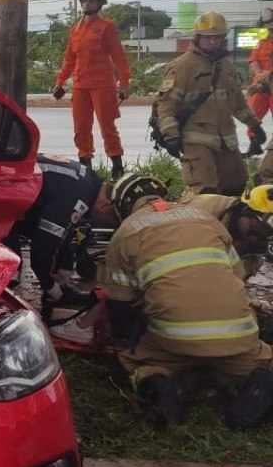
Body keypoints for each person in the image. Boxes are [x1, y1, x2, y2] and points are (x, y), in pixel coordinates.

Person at [102, 173, 273, 429]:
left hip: (174, 339)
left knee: (139, 358)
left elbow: (120, 304)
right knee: (258, 359)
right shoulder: (207, 219)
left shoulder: (125, 232)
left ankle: (158, 385)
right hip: (238, 334)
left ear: (123, 206)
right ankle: (260, 388)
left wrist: (127, 335)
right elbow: (236, 277)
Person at [154, 12, 265, 197]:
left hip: (226, 141)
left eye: (217, 37)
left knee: (235, 188)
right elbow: (166, 106)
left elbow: (237, 104)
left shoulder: (226, 67)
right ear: (198, 38)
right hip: (196, 141)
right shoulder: (182, 67)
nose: (213, 42)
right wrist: (171, 136)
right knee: (205, 192)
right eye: (208, 38)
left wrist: (255, 126)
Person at [5, 155, 106, 320]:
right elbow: (43, 247)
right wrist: (52, 288)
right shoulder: (77, 195)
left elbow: (65, 229)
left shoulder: (88, 181)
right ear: (104, 204)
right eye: (104, 216)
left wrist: (65, 266)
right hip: (4, 194)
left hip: (16, 190)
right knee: (10, 260)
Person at [51, 0, 130, 178]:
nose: (87, 3)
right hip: (80, 86)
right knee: (81, 128)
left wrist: (125, 83)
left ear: (100, 3)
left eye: (92, 0)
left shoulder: (107, 27)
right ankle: (85, 166)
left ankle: (117, 166)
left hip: (103, 85)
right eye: (85, 0)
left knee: (107, 127)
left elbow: (119, 57)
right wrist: (60, 82)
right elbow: (69, 58)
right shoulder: (75, 29)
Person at [245, 7, 273, 155]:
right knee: (252, 112)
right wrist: (259, 73)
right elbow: (253, 59)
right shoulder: (261, 40)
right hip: (260, 83)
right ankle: (254, 144)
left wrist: (268, 74)